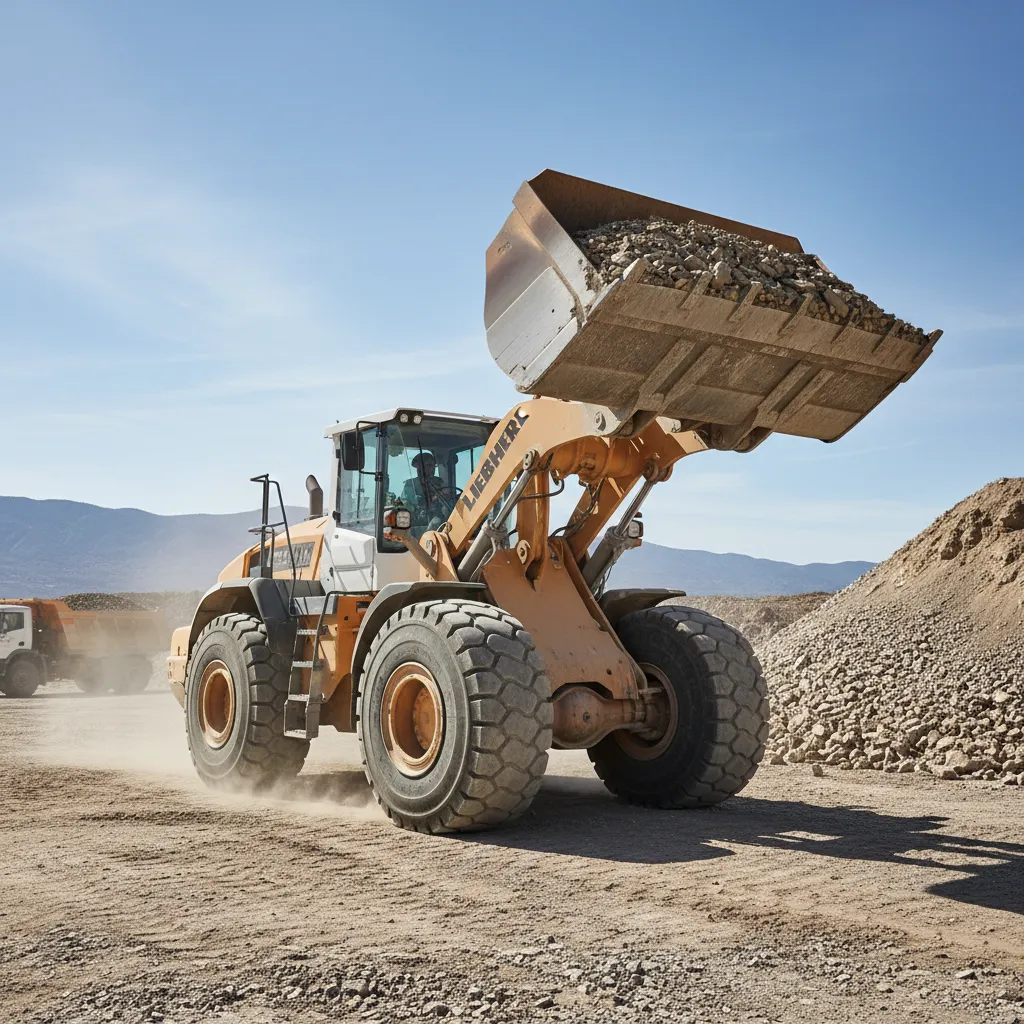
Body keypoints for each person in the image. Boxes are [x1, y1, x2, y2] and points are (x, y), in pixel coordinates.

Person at [400, 451, 450, 523]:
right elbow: (407, 505)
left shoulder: (438, 482)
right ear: (419, 467)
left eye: (434, 466)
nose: (432, 468)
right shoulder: (410, 484)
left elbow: (447, 500)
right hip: (418, 523)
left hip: (439, 517)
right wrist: (434, 497)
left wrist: (446, 495)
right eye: (429, 465)